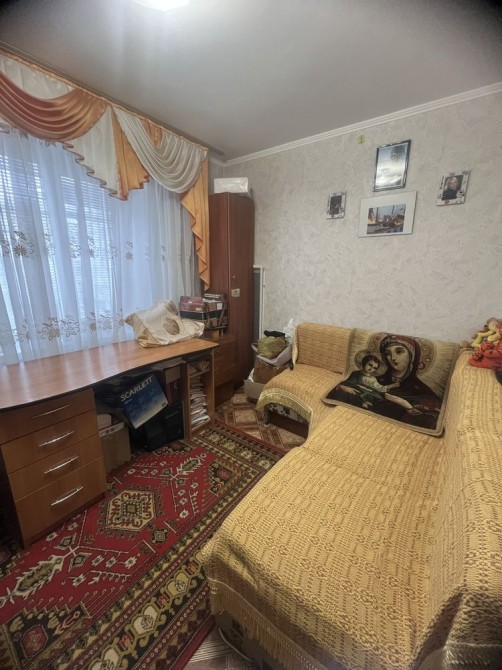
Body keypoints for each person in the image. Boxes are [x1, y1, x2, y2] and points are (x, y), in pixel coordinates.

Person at [375, 334, 442, 428]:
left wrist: (405, 405)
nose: (393, 358)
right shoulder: (376, 380)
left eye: (399, 351)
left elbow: (431, 419)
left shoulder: (423, 392)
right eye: (387, 354)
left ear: (412, 355)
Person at [334, 353, 413, 410]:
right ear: (364, 363)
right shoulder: (356, 373)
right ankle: (364, 402)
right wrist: (343, 387)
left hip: (374, 392)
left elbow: (379, 387)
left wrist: (390, 386)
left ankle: (411, 408)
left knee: (396, 399)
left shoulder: (373, 378)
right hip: (361, 392)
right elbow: (350, 384)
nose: (371, 369)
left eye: (374, 368)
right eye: (370, 365)